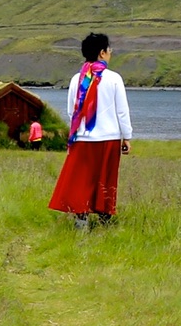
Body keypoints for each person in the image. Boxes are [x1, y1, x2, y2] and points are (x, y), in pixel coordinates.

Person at [47, 32, 132, 229]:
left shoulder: (77, 79)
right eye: (109, 50)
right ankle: (105, 220)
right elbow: (122, 111)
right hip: (108, 139)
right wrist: (126, 136)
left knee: (81, 181)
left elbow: (71, 111)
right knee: (106, 179)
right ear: (102, 53)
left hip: (82, 139)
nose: (110, 53)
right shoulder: (114, 78)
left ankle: (81, 221)